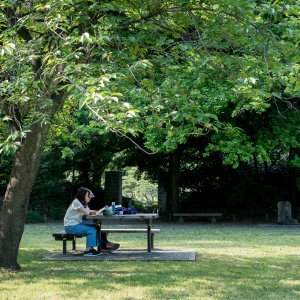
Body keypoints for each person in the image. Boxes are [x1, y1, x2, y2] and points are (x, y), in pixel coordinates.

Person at [64, 187, 120, 256]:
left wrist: (95, 211)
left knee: (97, 227)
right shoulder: (76, 202)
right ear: (83, 195)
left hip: (76, 224)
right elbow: (87, 213)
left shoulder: (83, 203)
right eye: (88, 196)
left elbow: (88, 211)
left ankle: (104, 244)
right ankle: (88, 251)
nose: (90, 199)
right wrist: (90, 211)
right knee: (92, 230)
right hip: (70, 226)